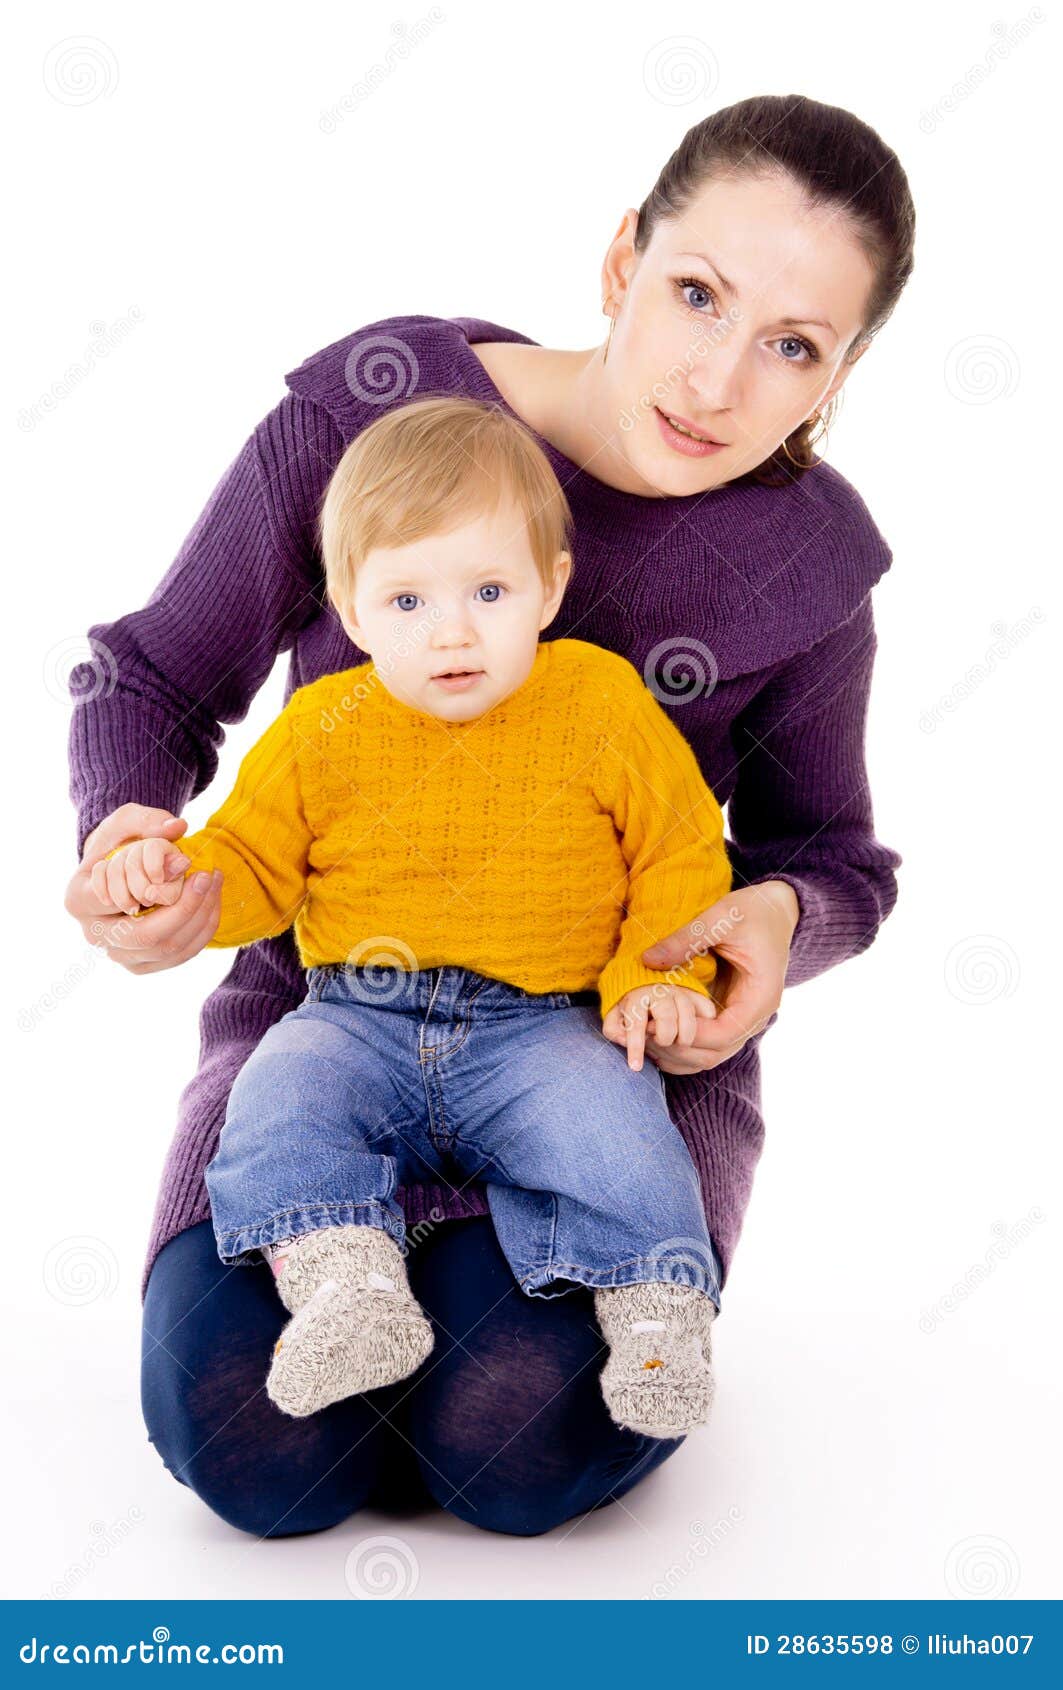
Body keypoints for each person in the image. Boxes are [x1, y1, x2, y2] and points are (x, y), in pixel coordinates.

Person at [64, 94, 913, 1539]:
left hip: (604, 1049)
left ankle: (597, 1294)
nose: (716, 381)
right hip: (329, 1020)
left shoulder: (806, 568)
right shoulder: (370, 418)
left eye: (791, 346)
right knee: (252, 1437)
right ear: (619, 259)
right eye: (695, 293)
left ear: (838, 372)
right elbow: (150, 674)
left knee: (506, 1441)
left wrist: (774, 921)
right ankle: (352, 1271)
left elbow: (825, 856)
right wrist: (127, 840)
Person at [99, 394, 734, 1440]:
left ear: (549, 588)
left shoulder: (601, 702)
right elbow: (251, 860)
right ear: (350, 611)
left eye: (488, 589)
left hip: (544, 1024)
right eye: (406, 601)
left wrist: (656, 982)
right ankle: (348, 1283)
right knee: (278, 1098)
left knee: (618, 1134)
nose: (452, 631)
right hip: (359, 1014)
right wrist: (176, 881)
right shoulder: (322, 726)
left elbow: (675, 853)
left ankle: (659, 1314)